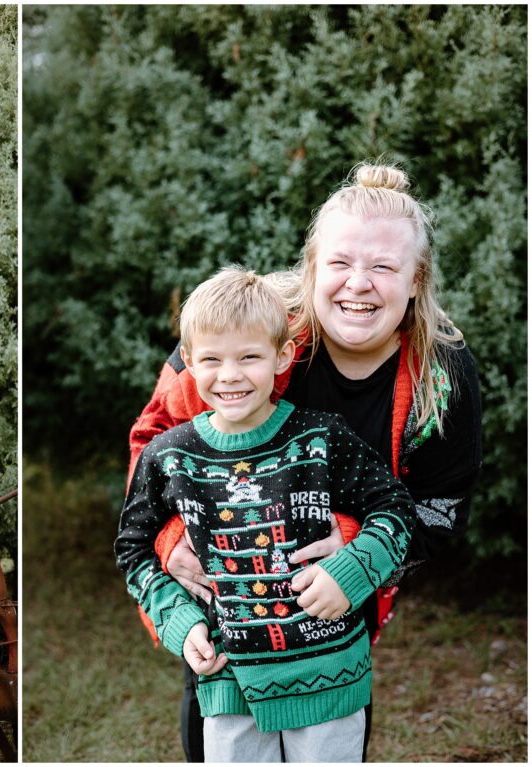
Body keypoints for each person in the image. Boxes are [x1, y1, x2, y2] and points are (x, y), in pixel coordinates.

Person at [127, 163, 482, 760]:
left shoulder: (442, 374)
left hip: (339, 612)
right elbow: (155, 444)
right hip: (226, 604)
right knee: (220, 734)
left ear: (416, 279)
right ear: (313, 266)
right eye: (340, 263)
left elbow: (439, 511)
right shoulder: (245, 332)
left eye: (384, 267)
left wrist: (350, 546)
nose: (358, 284)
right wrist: (169, 539)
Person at [116, 266, 416, 762]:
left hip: (328, 676)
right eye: (211, 359)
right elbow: (133, 547)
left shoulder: (321, 439)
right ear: (188, 361)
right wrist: (181, 622)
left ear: (281, 356)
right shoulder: (170, 456)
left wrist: (352, 570)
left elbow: (396, 509)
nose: (229, 375)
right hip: (229, 679)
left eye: (249, 357)